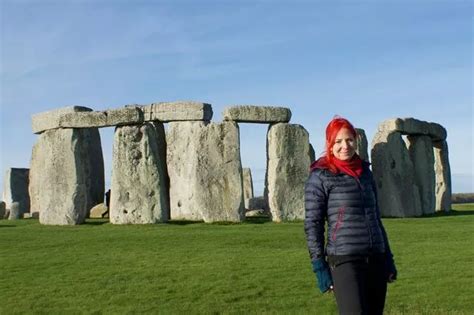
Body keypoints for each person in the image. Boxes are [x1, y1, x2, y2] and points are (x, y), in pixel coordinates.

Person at [304, 117, 397, 315]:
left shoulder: (365, 172)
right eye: (338, 141)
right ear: (330, 144)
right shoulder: (320, 175)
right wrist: (319, 267)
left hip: (376, 257)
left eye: (349, 140)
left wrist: (388, 258)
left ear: (356, 140)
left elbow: (375, 218)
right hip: (345, 260)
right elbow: (313, 224)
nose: (344, 146)